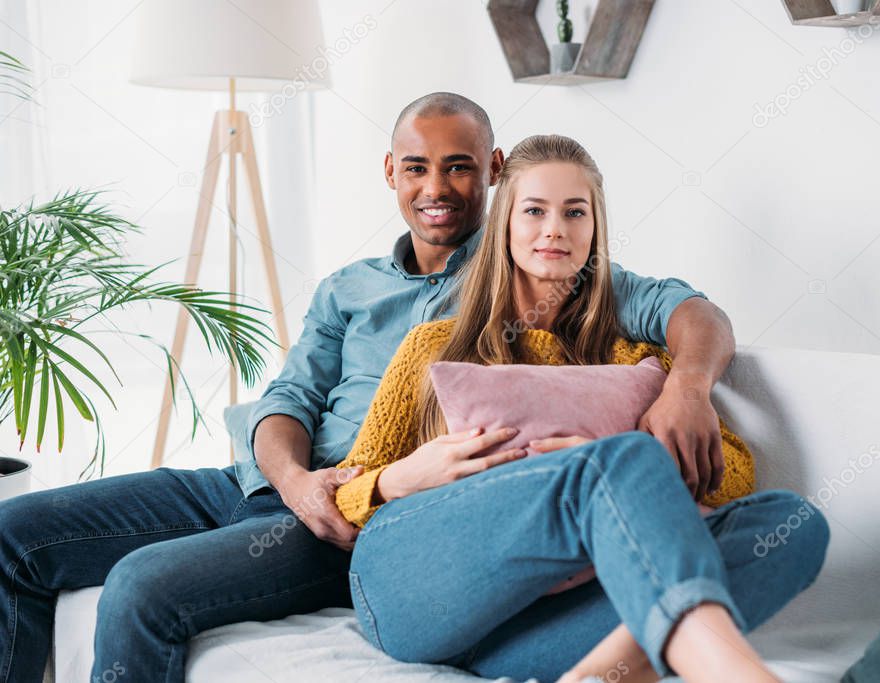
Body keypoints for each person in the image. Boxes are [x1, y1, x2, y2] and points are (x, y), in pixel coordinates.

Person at [0, 93, 744, 683]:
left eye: (458, 166)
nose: (437, 188)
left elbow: (693, 312)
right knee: (14, 536)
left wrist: (687, 386)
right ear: (389, 171)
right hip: (266, 482)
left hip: (357, 514)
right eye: (417, 167)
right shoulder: (350, 286)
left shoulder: (528, 257)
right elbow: (287, 398)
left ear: (493, 168)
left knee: (140, 586)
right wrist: (292, 478)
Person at [333, 134, 830, 683]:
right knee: (614, 462)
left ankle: (616, 663)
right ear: (505, 225)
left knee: (791, 522)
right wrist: (398, 478)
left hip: (526, 632)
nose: (554, 229)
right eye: (534, 211)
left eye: (575, 212)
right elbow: (345, 495)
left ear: (595, 230)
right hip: (415, 588)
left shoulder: (638, 361)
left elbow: (733, 479)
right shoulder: (433, 346)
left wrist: (628, 469)